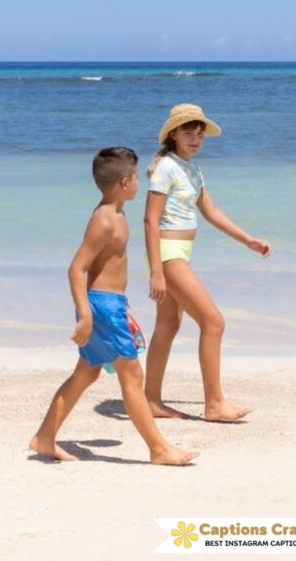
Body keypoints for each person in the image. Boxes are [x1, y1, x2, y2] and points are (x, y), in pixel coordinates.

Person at [30, 147, 198, 466]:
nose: (139, 183)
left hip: (111, 305)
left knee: (86, 373)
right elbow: (76, 268)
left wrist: (114, 308)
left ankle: (44, 437)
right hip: (102, 307)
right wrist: (86, 316)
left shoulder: (117, 214)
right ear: (123, 182)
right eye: (135, 178)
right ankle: (159, 449)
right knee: (132, 375)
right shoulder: (105, 220)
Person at [144, 103, 271, 421]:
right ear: (174, 134)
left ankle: (150, 400)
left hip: (179, 253)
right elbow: (150, 220)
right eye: (189, 132)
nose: (196, 138)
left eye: (200, 133)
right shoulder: (166, 167)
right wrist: (157, 272)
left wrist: (248, 240)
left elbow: (211, 212)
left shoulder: (192, 169)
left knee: (168, 324)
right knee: (213, 322)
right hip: (169, 254)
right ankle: (214, 403)